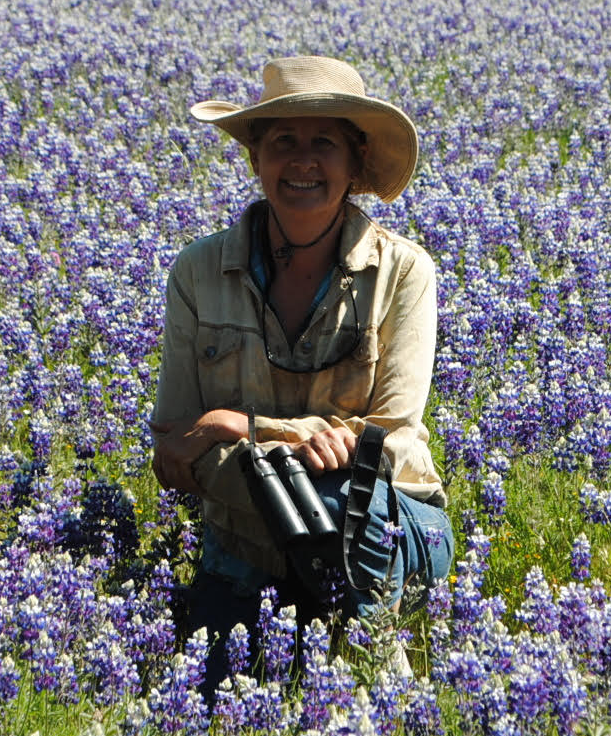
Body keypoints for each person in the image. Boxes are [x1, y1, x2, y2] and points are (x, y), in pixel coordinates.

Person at [151, 55, 455, 678]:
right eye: (284, 140)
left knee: (355, 520)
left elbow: (390, 438)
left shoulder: (405, 272)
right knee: (220, 690)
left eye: (324, 142)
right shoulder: (198, 273)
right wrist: (295, 440)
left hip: (379, 519)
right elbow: (173, 447)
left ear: (355, 161)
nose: (303, 161)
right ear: (256, 156)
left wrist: (240, 427)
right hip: (248, 529)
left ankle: (387, 693)